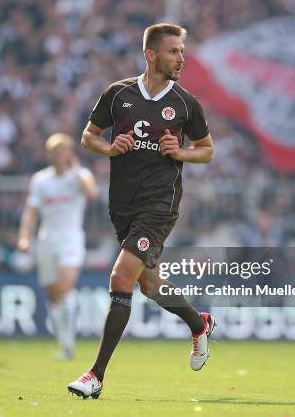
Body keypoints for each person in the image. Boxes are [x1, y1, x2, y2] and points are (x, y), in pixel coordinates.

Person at [67, 23, 216, 399]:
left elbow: (207, 149)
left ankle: (95, 376)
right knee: (148, 284)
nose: (181, 58)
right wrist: (110, 148)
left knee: (121, 278)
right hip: (123, 205)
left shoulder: (184, 103)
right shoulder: (118, 94)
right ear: (151, 54)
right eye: (173, 52)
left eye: (182, 51)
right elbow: (88, 137)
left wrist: (179, 151)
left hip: (159, 205)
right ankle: (199, 324)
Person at [18, 133, 99, 360]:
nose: (59, 155)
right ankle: (64, 344)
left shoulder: (80, 176)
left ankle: (68, 343)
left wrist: (75, 170)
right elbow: (30, 213)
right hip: (46, 241)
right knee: (53, 295)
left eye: (63, 150)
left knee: (64, 286)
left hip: (71, 239)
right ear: (49, 154)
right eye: (54, 151)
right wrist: (24, 238)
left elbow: (92, 194)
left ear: (69, 153)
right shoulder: (40, 180)